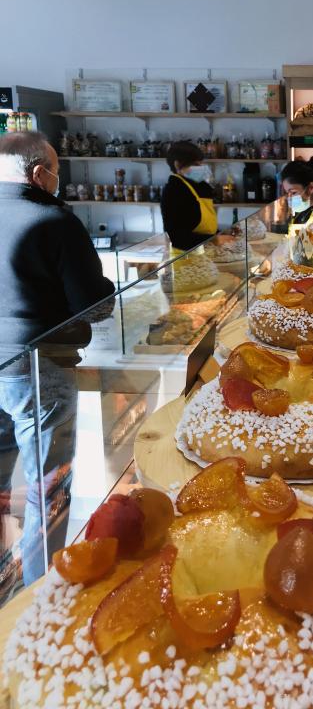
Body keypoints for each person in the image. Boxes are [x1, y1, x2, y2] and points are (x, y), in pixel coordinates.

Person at [0, 131, 115, 598]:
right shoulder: (54, 221)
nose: (57, 181)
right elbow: (93, 305)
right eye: (56, 172)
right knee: (47, 488)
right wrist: (105, 290)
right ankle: (41, 599)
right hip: (35, 367)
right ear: (37, 173)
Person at [160, 140, 217, 253]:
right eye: (195, 165)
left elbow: (202, 226)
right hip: (185, 257)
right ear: (177, 164)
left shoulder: (196, 185)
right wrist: (214, 240)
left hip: (204, 253)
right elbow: (176, 238)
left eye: (201, 163)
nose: (201, 168)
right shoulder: (173, 190)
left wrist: (219, 234)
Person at [281, 157, 313, 226]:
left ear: (311, 188)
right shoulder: (307, 210)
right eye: (287, 193)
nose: (289, 198)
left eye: (293, 192)